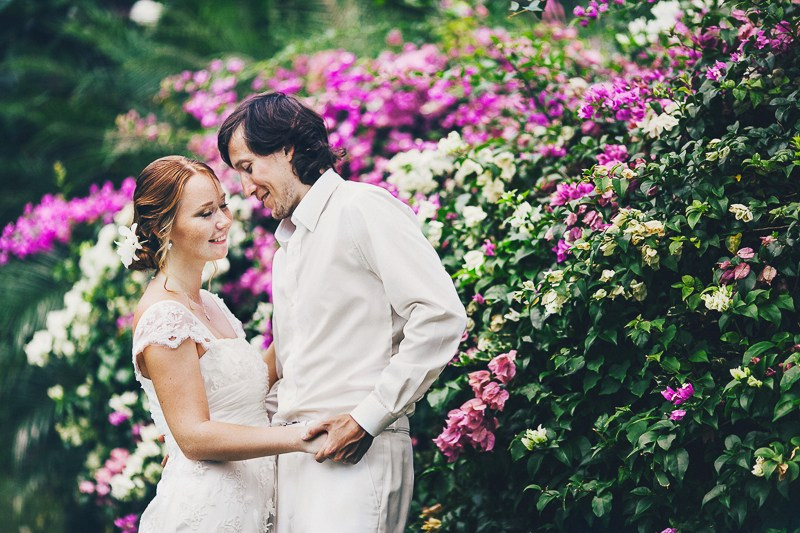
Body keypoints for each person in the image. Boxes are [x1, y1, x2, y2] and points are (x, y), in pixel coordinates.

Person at [217, 92, 467, 532]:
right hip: (296, 458)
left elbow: (441, 315)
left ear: (287, 149)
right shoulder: (287, 248)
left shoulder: (361, 207)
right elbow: (299, 367)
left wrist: (366, 419)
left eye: (247, 167)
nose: (246, 188)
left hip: (357, 455)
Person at [125, 156, 324, 533]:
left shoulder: (209, 303)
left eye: (222, 205)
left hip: (252, 501)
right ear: (164, 228)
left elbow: (245, 387)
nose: (223, 222)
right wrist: (303, 437)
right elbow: (195, 437)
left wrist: (304, 309)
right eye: (204, 214)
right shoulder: (163, 317)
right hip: (210, 510)